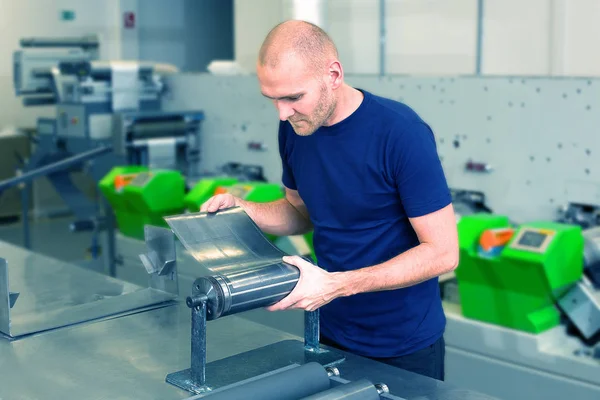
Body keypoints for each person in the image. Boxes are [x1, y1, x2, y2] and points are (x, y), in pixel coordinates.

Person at [200, 20, 458, 381]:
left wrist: (337, 284)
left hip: (403, 344)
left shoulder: (401, 133)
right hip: (329, 329)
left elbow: (443, 252)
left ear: (333, 74)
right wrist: (245, 210)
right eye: (273, 99)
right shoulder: (294, 128)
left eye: (293, 97)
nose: (282, 112)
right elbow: (299, 213)